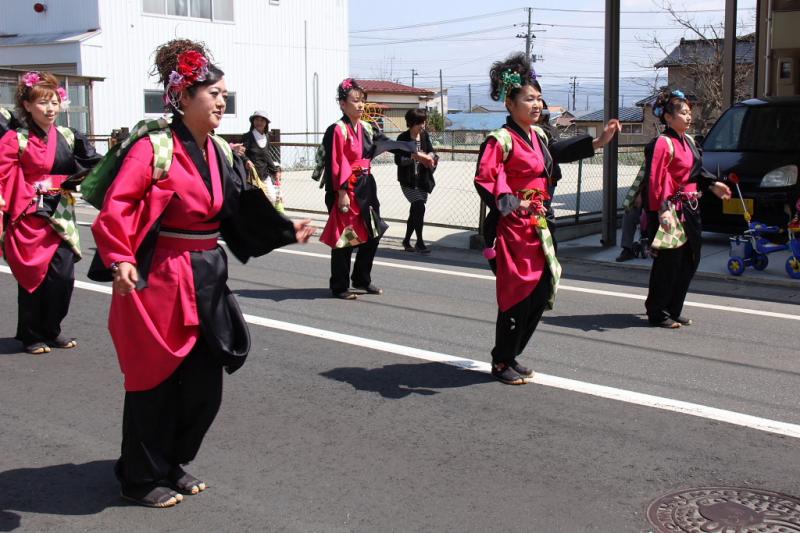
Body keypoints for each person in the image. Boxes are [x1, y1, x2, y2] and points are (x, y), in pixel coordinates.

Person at [91, 39, 313, 508]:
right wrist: (121, 258)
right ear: (183, 97)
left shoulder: (222, 152)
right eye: (213, 93)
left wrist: (284, 228)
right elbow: (118, 207)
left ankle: (171, 461)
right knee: (153, 381)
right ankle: (139, 476)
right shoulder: (154, 148)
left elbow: (238, 210)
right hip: (161, 277)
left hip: (207, 274)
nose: (221, 102)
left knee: (204, 385)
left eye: (224, 94)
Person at [475, 53, 620, 385]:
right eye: (529, 98)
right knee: (517, 295)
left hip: (538, 225)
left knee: (540, 292)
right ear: (510, 103)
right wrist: (513, 203)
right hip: (511, 228)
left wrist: (598, 141)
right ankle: (501, 360)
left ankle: (510, 354)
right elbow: (485, 178)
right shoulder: (500, 140)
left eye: (539, 98)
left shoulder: (538, 136)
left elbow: (558, 152)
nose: (537, 104)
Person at [0, 71, 100, 354]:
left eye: (54, 102)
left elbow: (95, 163)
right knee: (33, 277)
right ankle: (31, 334)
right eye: (43, 103)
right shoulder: (16, 139)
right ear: (27, 105)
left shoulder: (68, 136)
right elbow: (2, 176)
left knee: (63, 277)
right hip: (28, 213)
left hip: (60, 211)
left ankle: (51, 329)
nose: (50, 108)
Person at [318, 78, 415, 300]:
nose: (360, 105)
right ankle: (339, 285)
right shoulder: (337, 130)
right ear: (343, 104)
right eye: (355, 100)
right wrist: (342, 193)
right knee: (346, 237)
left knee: (373, 232)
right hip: (346, 189)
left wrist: (416, 153)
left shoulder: (367, 128)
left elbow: (388, 143)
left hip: (366, 186)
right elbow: (336, 163)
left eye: (362, 100)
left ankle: (361, 278)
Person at [644, 89, 731, 328]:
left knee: (690, 259)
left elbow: (697, 172)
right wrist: (662, 209)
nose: (688, 116)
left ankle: (673, 308)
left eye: (689, 112)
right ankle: (657, 311)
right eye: (683, 113)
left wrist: (713, 184)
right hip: (671, 208)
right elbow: (655, 178)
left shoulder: (689, 141)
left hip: (690, 208)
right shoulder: (663, 143)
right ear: (668, 117)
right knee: (668, 262)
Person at [395, 108, 437, 253]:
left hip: (423, 180)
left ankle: (407, 241)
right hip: (408, 181)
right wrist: (414, 157)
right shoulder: (403, 138)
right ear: (411, 123)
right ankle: (419, 242)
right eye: (420, 123)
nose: (422, 125)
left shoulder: (424, 135)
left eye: (423, 122)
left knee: (415, 211)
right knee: (419, 207)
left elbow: (432, 151)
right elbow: (398, 160)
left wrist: (430, 157)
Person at [241, 110, 283, 211]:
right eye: (256, 120)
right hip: (251, 177)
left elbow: (267, 156)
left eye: (262, 120)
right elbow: (242, 153)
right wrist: (246, 160)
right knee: (254, 202)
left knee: (272, 198)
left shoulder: (266, 137)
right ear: (253, 122)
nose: (259, 122)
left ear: (266, 123)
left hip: (264, 174)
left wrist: (275, 171)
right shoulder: (247, 136)